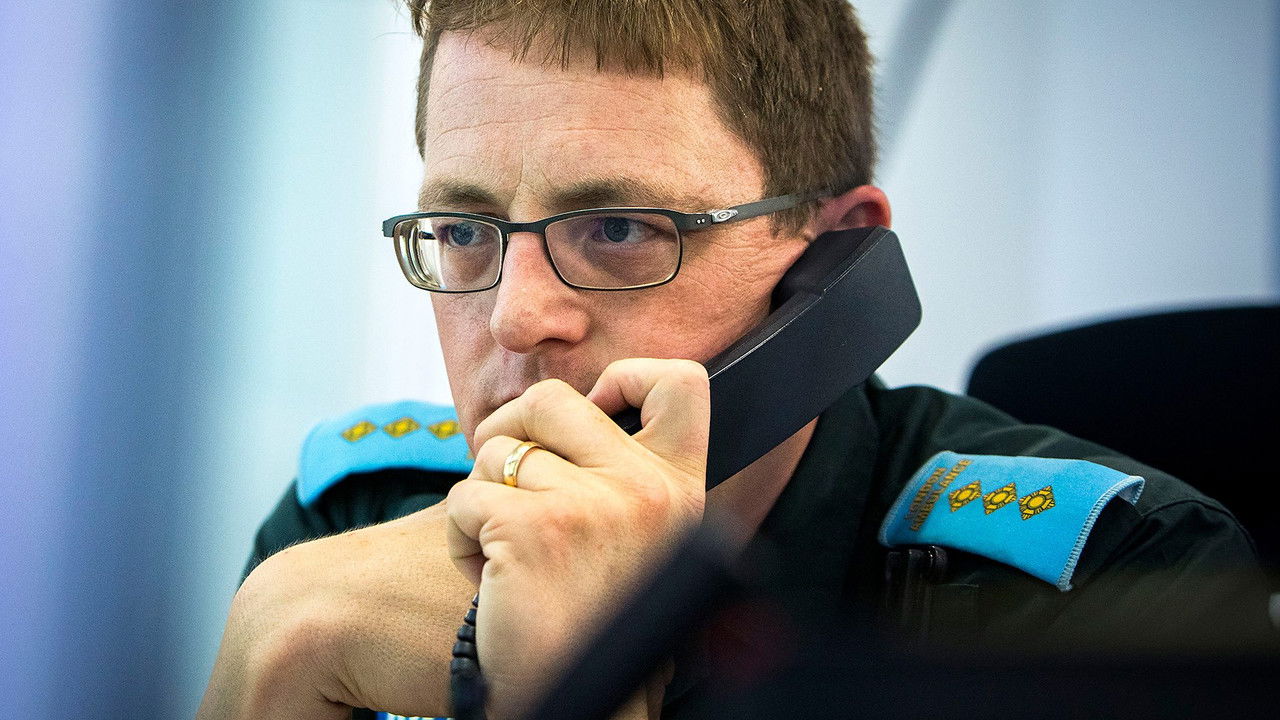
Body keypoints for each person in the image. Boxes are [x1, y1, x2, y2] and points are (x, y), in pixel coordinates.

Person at [197, 2, 1264, 719]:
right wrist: (270, 650)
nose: (516, 319)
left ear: (831, 260)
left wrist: (585, 691)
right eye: (466, 231)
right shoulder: (357, 520)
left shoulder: (1117, 584)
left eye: (619, 228)